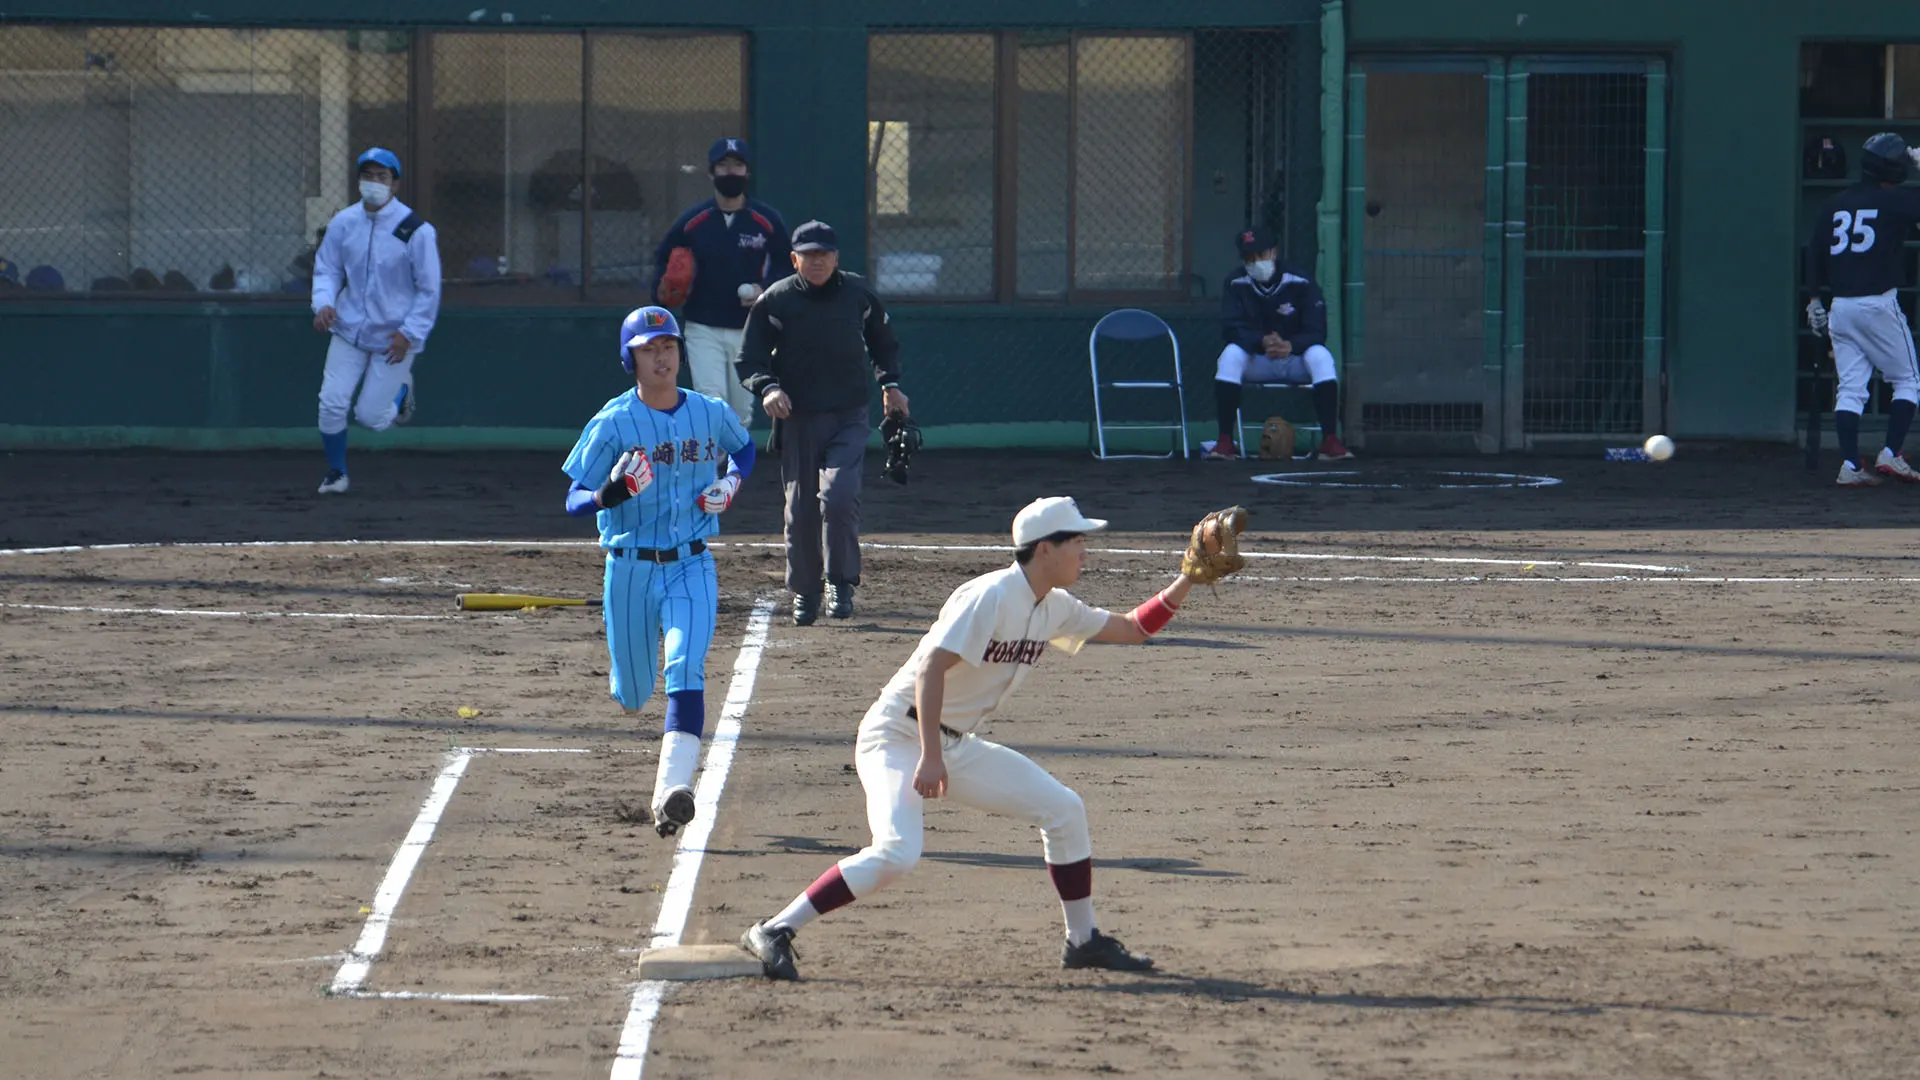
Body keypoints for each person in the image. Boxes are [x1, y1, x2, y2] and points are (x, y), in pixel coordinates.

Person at [740, 496, 1224, 980]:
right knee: (897, 853)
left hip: (952, 743)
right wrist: (930, 756)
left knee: (1064, 809)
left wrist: (1187, 581)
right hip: (897, 734)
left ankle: (1083, 941)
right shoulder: (988, 596)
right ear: (1043, 550)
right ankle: (776, 928)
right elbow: (932, 667)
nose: (1084, 549)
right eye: (1075, 540)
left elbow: (1133, 629)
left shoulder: (1052, 606)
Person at [562, 305, 756, 838]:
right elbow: (574, 497)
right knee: (632, 694)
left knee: (685, 669)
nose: (662, 356)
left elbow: (745, 451)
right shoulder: (614, 422)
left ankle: (672, 791)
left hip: (691, 564)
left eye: (668, 346)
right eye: (649, 349)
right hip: (628, 569)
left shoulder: (709, 412)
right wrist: (610, 493)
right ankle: (627, 685)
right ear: (631, 359)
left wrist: (731, 485)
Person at [735, 219, 908, 626]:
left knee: (839, 497)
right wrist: (768, 388)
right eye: (808, 255)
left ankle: (841, 581)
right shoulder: (776, 301)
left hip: (849, 413)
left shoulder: (858, 294)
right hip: (798, 417)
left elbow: (884, 344)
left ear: (836, 258)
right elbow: (750, 358)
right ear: (794, 259)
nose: (817, 261)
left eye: (824, 254)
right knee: (801, 510)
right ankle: (806, 591)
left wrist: (892, 386)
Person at [310, 147, 442, 494]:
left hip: (394, 337)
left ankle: (401, 391)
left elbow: (429, 289)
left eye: (381, 176)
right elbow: (327, 269)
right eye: (367, 176)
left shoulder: (415, 230)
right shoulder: (344, 223)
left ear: (394, 184)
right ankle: (336, 472)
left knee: (370, 418)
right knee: (331, 403)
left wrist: (409, 334)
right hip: (348, 329)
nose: (374, 183)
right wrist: (323, 304)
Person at [1805, 132, 1920, 486]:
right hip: (1878, 305)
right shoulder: (1896, 201)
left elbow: (1815, 252)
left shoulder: (1835, 203)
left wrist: (1813, 299)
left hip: (1841, 308)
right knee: (1908, 381)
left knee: (1852, 389)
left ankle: (1851, 466)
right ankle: (1891, 454)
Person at [650, 137, 790, 425]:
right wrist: (662, 290)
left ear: (747, 172)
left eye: (737, 166)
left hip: (750, 329)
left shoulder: (766, 220)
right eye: (723, 166)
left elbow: (787, 265)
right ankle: (711, 472)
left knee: (741, 413)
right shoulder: (693, 221)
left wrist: (765, 290)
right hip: (704, 326)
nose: (730, 172)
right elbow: (662, 261)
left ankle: (735, 471)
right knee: (710, 401)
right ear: (712, 173)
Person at [1205, 226, 1351, 462]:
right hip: (1258, 359)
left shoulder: (1301, 280)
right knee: (1230, 355)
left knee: (1321, 356)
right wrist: (1261, 341)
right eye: (1249, 258)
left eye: (1261, 255)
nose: (1255, 263)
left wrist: (1291, 345)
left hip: (1294, 358)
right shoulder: (1235, 282)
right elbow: (1231, 327)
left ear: (1274, 252)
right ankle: (1224, 442)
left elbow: (1317, 330)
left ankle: (1330, 441)